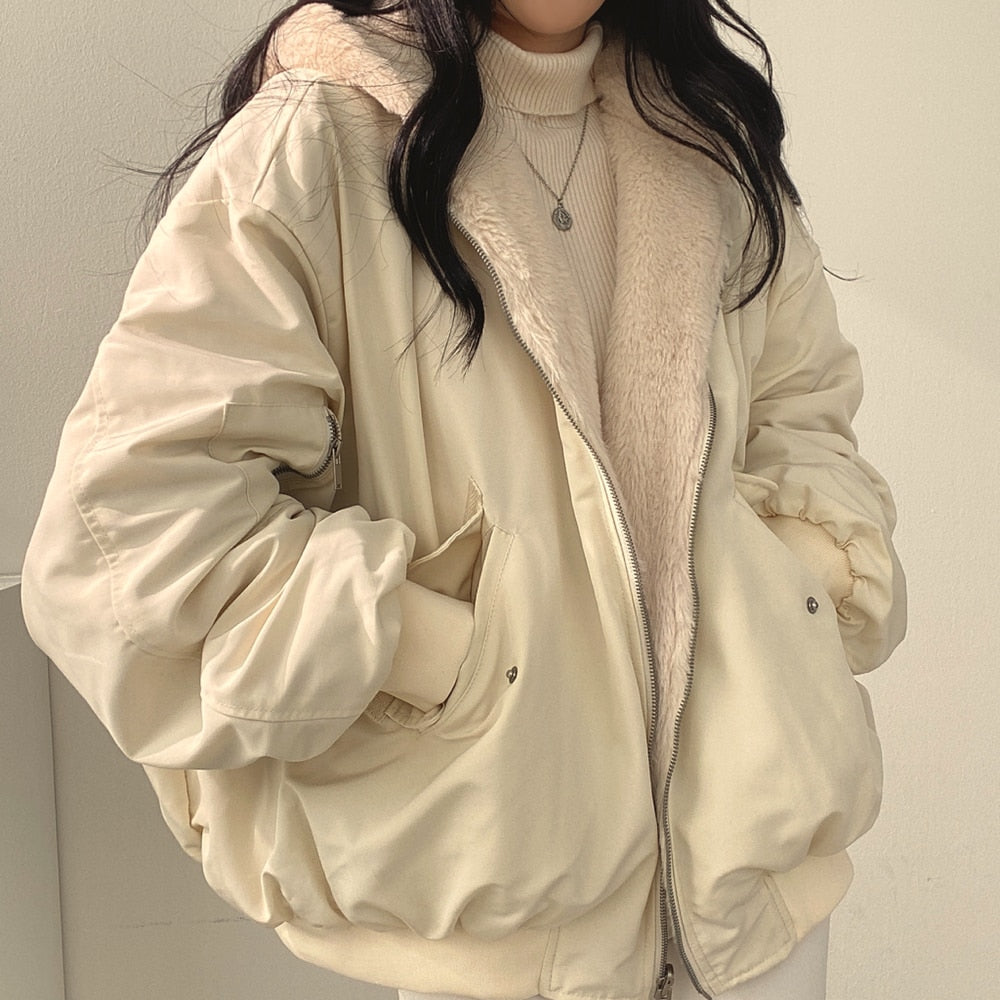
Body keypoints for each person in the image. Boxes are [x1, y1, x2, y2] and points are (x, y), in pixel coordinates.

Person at [21, 1, 907, 998]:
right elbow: (127, 532)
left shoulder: (704, 134)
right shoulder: (318, 143)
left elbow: (803, 411)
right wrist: (442, 654)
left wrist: (796, 591)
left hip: (761, 909)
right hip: (503, 921)